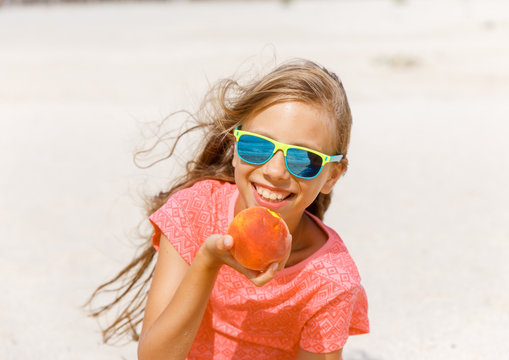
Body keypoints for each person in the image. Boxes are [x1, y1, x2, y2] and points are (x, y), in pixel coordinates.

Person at [88, 59, 369, 359]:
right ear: (235, 149)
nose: (275, 172)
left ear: (332, 176)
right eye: (257, 146)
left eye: (303, 160)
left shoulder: (331, 279)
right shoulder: (193, 212)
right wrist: (207, 262)